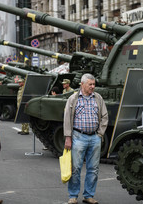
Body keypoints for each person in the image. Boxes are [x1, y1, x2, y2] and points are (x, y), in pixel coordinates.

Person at [63, 74, 108, 204]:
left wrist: (100, 134)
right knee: (75, 168)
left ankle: (88, 195)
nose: (93, 87)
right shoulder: (73, 98)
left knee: (93, 169)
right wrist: (68, 137)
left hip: (94, 137)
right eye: (90, 84)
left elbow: (104, 116)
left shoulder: (98, 98)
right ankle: (73, 196)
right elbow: (67, 118)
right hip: (78, 137)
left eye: (94, 84)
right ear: (82, 84)